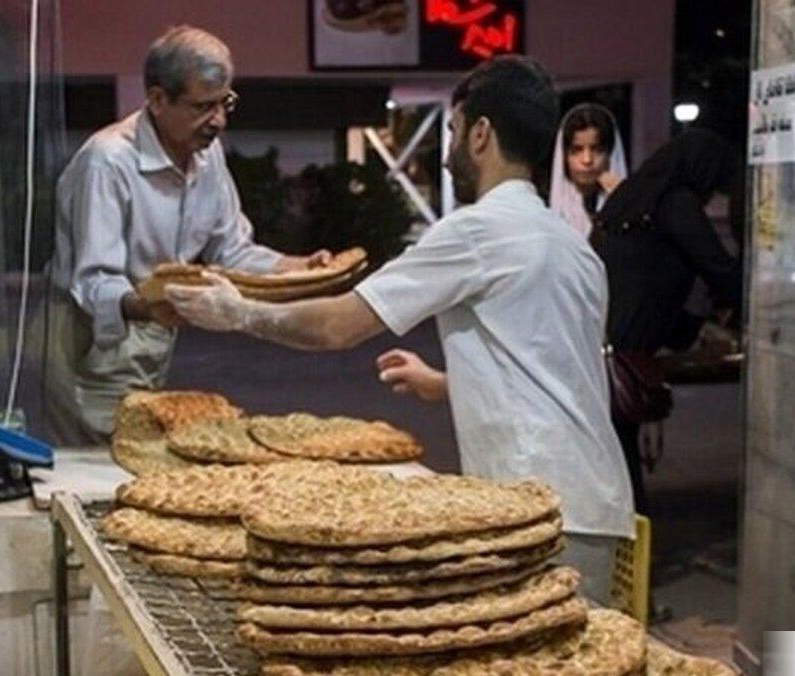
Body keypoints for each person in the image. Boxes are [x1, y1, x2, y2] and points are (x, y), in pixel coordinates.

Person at [167, 56, 634, 601]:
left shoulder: (478, 231)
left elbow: (338, 326)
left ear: (481, 134)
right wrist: (443, 383)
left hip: (535, 506)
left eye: (454, 131)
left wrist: (240, 311)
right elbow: (554, 367)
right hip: (597, 504)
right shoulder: (571, 246)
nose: (450, 148)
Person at [46, 26, 331, 445]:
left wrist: (297, 268)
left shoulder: (205, 153)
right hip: (95, 336)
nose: (218, 121)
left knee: (142, 457)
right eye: (203, 107)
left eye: (225, 103)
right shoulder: (107, 162)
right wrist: (152, 305)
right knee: (102, 468)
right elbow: (93, 282)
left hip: (154, 324)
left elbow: (230, 249)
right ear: (158, 100)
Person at [591, 128, 743, 514]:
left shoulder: (623, 201)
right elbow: (720, 270)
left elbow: (641, 283)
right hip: (623, 355)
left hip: (594, 346)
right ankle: (628, 557)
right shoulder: (674, 204)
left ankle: (622, 554)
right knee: (622, 473)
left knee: (612, 464)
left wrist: (693, 327)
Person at [550, 103, 627, 237]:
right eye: (577, 150)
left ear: (610, 154)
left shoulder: (632, 207)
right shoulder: (545, 211)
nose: (587, 160)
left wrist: (623, 202)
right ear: (563, 156)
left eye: (596, 149)